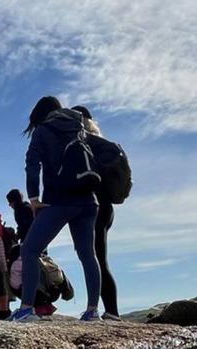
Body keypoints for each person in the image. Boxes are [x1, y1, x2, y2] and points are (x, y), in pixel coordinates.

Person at [10, 96, 101, 322]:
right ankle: (92, 311)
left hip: (59, 200)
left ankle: (26, 309)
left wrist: (33, 198)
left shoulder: (43, 130)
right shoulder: (80, 125)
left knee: (30, 250)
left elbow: (32, 164)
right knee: (88, 254)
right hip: (89, 200)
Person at [74, 105, 120, 320]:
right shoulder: (102, 142)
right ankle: (109, 310)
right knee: (99, 258)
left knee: (96, 259)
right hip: (107, 207)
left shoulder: (84, 142)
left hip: (94, 206)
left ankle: (108, 312)